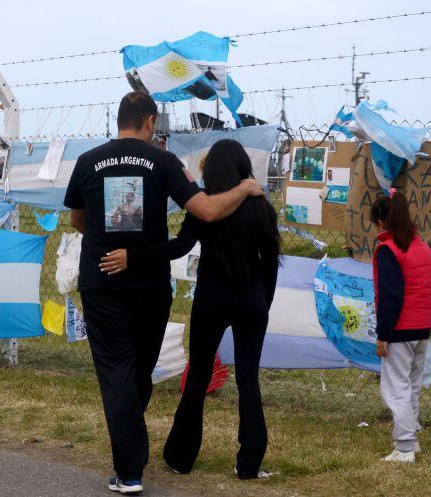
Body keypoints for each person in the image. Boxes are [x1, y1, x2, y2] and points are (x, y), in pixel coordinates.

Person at [63, 92, 263, 495]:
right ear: (151, 122)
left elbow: (78, 219)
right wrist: (244, 189)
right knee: (137, 370)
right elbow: (206, 210)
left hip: (102, 281)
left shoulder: (87, 161)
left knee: (119, 370)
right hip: (151, 286)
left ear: (119, 120)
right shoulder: (163, 161)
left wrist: (107, 240)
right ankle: (130, 466)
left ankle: (130, 464)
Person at [108, 139, 280, 479]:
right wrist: (264, 301)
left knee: (198, 378)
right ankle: (249, 464)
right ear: (244, 167)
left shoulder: (206, 208)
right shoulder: (263, 208)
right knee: (249, 380)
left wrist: (135, 256)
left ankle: (181, 456)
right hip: (252, 300)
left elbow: (178, 248)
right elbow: (271, 262)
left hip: (212, 298)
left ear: (211, 170)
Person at [370, 189, 431, 464]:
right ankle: (412, 439)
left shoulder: (388, 251)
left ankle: (405, 447)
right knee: (411, 386)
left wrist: (383, 335)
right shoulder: (421, 245)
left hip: (399, 330)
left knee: (395, 389)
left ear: (382, 222)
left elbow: (390, 296)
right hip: (421, 328)